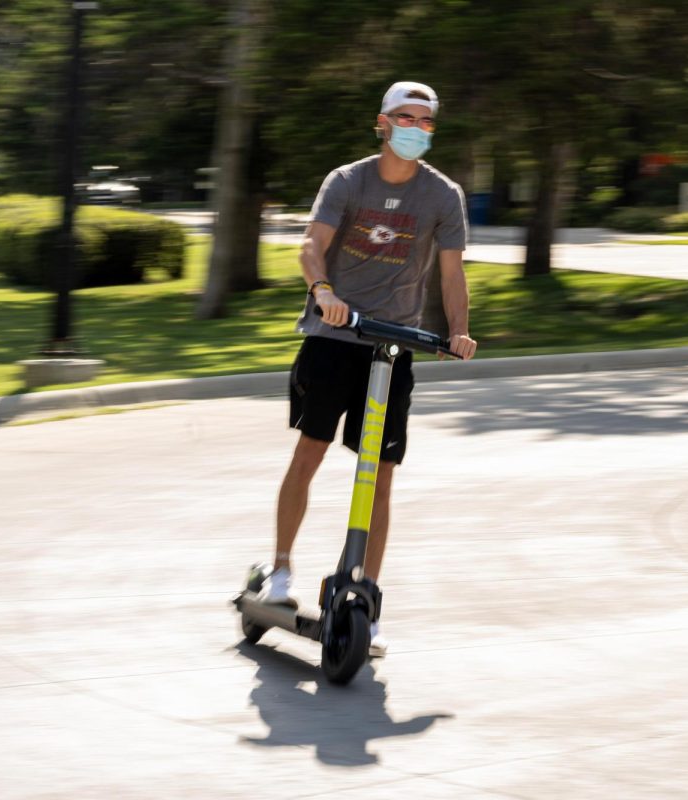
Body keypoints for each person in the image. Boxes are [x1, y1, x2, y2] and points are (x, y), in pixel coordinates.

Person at [259, 81, 477, 658]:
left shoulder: (442, 195)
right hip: (335, 334)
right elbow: (311, 245)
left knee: (379, 476)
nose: (414, 129)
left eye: (425, 121)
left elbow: (451, 273)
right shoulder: (348, 180)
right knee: (309, 452)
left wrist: (457, 329)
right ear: (382, 123)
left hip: (393, 346)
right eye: (404, 118)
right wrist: (323, 290)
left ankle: (364, 594)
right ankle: (280, 571)